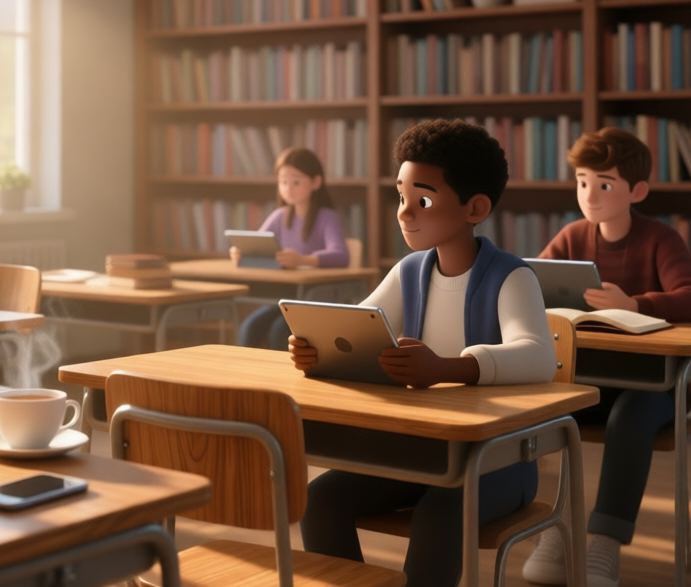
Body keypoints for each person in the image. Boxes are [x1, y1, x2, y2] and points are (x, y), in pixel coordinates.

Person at [292, 119, 556, 587]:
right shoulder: (409, 271)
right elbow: (356, 326)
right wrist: (319, 348)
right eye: (401, 196)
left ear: (475, 207)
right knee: (320, 500)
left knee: (440, 511)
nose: (405, 212)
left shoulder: (512, 277)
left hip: (496, 460)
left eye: (424, 200)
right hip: (417, 452)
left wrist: (446, 368)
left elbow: (538, 356)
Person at [522, 127, 691, 587]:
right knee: (550, 411)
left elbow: (688, 295)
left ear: (636, 190)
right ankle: (554, 529)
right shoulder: (573, 235)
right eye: (582, 182)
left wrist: (636, 305)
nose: (590, 195)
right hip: (591, 370)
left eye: (604, 184)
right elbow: (529, 282)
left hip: (656, 382)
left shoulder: (660, 238)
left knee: (628, 422)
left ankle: (605, 544)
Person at [232, 147, 350, 349]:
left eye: (296, 181)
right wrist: (243, 252)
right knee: (249, 327)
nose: (288, 188)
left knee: (279, 331)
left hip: (313, 300)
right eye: (283, 182)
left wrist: (303, 260)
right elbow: (260, 244)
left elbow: (341, 255)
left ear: (316, 182)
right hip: (284, 298)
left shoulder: (326, 217)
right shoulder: (279, 216)